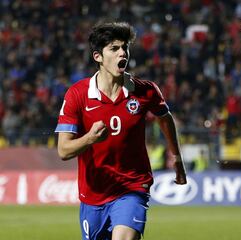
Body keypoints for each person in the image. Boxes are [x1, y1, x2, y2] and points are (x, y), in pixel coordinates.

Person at [55, 22, 187, 240]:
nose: (122, 53)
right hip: (93, 194)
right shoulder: (77, 95)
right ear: (98, 56)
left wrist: (177, 158)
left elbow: (165, 119)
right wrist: (89, 138)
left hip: (132, 187)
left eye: (125, 47)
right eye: (114, 49)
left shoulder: (146, 91)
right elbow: (63, 150)